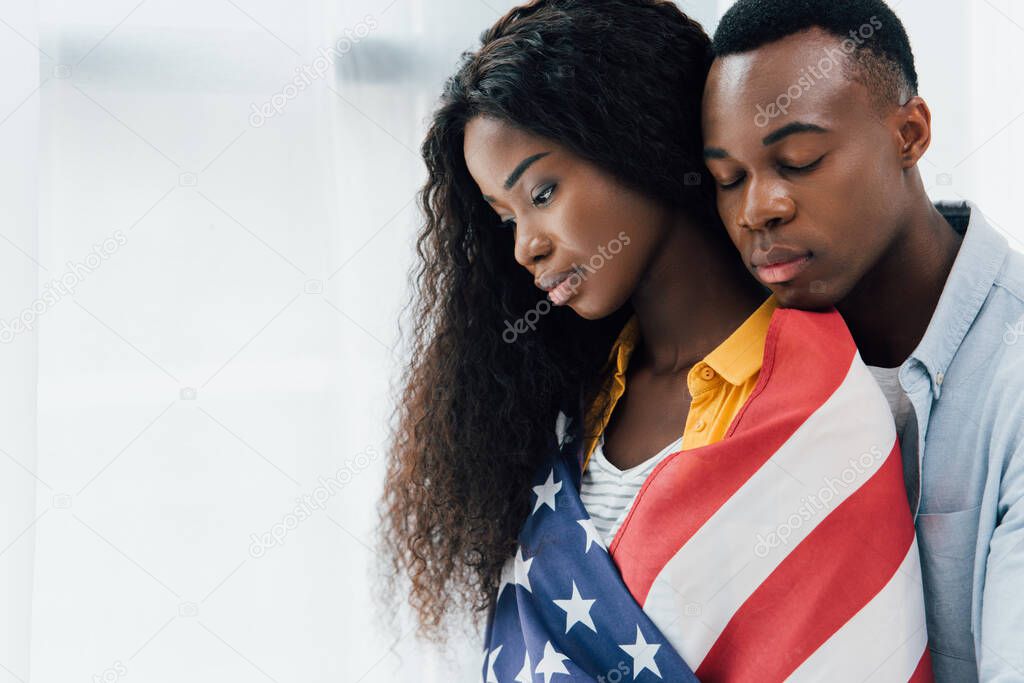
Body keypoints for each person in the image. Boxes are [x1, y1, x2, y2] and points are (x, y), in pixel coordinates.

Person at [379, 1, 931, 680]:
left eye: (543, 191)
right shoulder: (574, 403)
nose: (527, 245)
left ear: (636, 140)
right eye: (504, 219)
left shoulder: (819, 409)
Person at [701, 1, 1024, 680]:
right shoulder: (736, 368)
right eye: (728, 179)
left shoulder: (1012, 375)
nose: (758, 208)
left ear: (909, 133)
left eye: (798, 160)